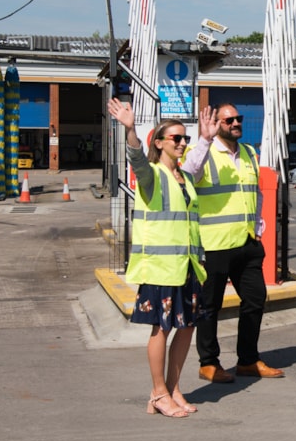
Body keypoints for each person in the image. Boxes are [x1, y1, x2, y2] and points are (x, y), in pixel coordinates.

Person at [107, 97, 209, 418]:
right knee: (161, 330)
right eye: (176, 138)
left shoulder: (186, 179)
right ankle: (158, 393)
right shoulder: (151, 176)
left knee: (188, 326)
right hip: (160, 268)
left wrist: (205, 139)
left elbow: (189, 220)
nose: (182, 143)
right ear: (160, 143)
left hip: (187, 267)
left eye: (185, 138)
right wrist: (131, 129)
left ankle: (173, 388)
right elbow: (136, 159)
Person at [182, 103, 285, 383]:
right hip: (214, 244)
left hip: (247, 242)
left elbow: (255, 191)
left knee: (255, 299)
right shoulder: (202, 152)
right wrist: (204, 139)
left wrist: (258, 226)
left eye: (238, 118)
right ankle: (209, 363)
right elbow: (187, 175)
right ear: (216, 124)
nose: (236, 123)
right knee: (209, 306)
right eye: (229, 120)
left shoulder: (250, 153)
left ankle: (248, 360)